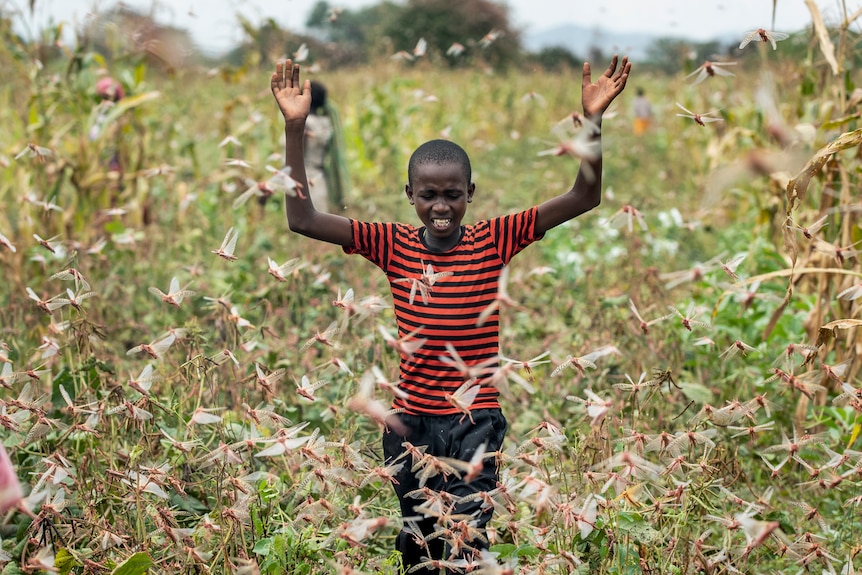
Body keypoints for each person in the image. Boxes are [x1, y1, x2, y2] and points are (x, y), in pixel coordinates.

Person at [270, 55, 630, 572]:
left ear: (470, 195)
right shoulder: (390, 243)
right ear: (410, 196)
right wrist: (295, 128)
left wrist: (593, 120)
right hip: (407, 422)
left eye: (453, 195)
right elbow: (301, 218)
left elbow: (584, 195)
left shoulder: (495, 238)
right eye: (429, 195)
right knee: (419, 545)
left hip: (473, 422)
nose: (441, 206)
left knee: (464, 542)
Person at [303, 80, 350, 213]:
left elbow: (298, 157)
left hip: (305, 179)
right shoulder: (326, 122)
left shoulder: (304, 124)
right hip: (320, 179)